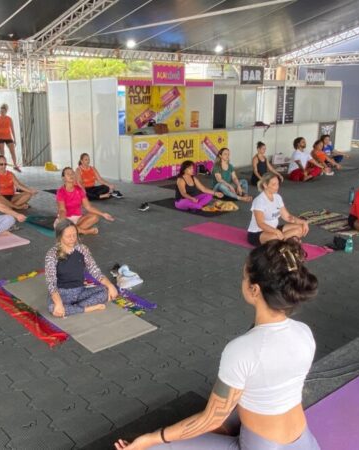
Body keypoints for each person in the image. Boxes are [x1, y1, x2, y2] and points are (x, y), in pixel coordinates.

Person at [115, 240, 320, 450]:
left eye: (244, 277)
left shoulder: (241, 350)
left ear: (255, 289)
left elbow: (210, 419)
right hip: (305, 442)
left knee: (153, 447)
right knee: (229, 413)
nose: (242, 281)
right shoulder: (304, 332)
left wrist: (152, 438)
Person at [44, 219, 119, 318]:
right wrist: (58, 303)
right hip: (62, 294)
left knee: (106, 291)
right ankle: (86, 308)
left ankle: (72, 309)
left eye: (74, 235)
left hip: (80, 291)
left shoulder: (82, 249)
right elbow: (51, 283)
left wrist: (110, 285)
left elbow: (94, 270)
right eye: (68, 236)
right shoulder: (52, 254)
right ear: (60, 237)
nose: (72, 239)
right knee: (52, 308)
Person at [247, 172, 309, 247]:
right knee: (275, 238)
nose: (277, 187)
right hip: (258, 233)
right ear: (265, 185)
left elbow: (287, 217)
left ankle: (285, 241)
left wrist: (303, 222)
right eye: (274, 184)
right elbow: (261, 224)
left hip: (274, 229)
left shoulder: (277, 197)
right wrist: (276, 232)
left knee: (300, 228)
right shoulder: (259, 200)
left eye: (278, 184)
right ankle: (288, 241)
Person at [56, 167, 114, 235]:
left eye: (72, 173)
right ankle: (85, 231)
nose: (71, 175)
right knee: (64, 227)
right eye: (68, 174)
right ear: (63, 178)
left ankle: (73, 231)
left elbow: (88, 207)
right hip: (66, 218)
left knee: (95, 217)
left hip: (78, 219)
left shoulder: (79, 190)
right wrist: (63, 221)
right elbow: (62, 210)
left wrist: (103, 214)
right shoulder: (61, 192)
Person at [0, 104, 20, 172]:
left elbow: (12, 129)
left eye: (3, 111)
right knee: (2, 153)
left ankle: (15, 165)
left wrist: (14, 139)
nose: (1, 113)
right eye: (1, 111)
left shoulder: (9, 119)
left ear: (6, 112)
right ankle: (2, 167)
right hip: (0, 137)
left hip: (8, 137)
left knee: (12, 152)